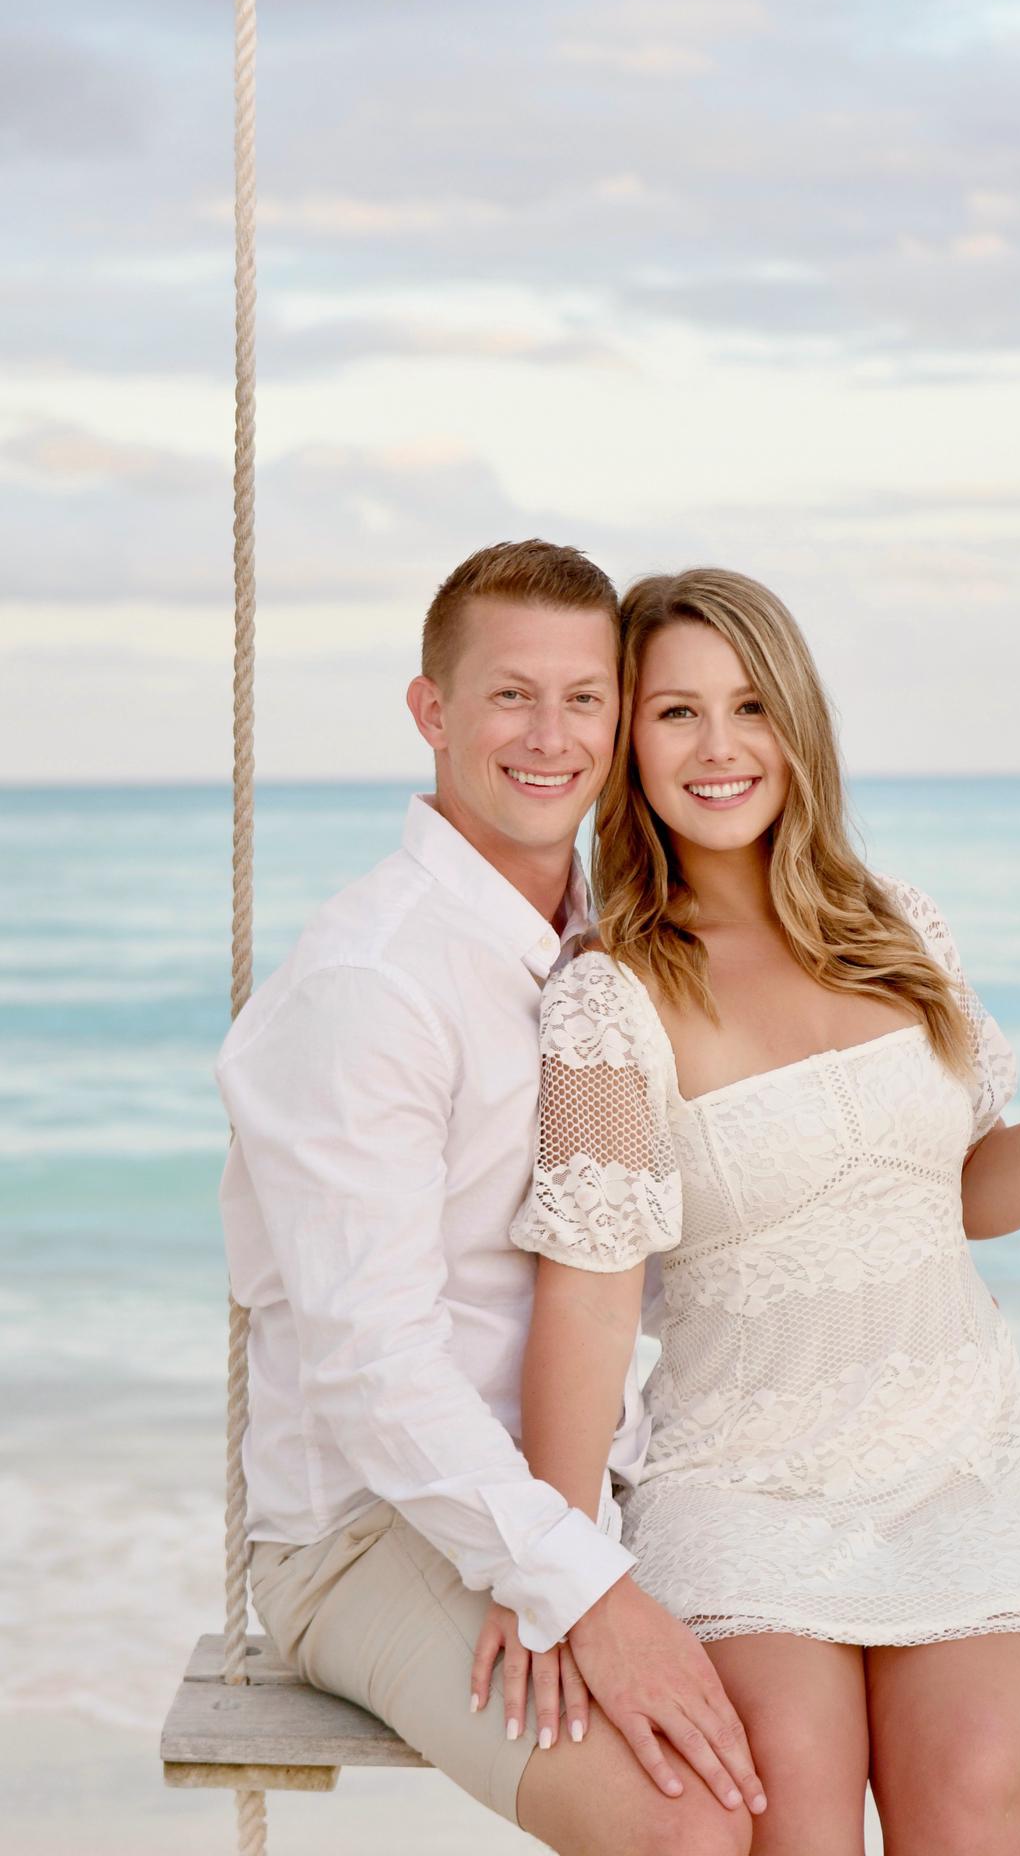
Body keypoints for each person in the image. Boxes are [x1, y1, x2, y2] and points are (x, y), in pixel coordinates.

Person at [505, 566, 1020, 1856]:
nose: (720, 747)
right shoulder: (609, 994)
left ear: (798, 722)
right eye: (676, 712)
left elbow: (952, 1198)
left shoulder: (897, 929)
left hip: (969, 1466)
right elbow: (585, 1312)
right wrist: (561, 1573)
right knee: (789, 1805)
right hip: (739, 1490)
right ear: (629, 743)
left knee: (972, 1799)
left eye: (751, 706)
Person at [216, 540, 766, 1856]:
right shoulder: (373, 983)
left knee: (801, 1748)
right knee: (688, 1821)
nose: (550, 736)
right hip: (372, 1525)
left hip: (581, 1486)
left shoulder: (610, 939)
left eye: (584, 698)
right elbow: (373, 1369)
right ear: (432, 711)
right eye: (511, 695)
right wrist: (581, 1588)